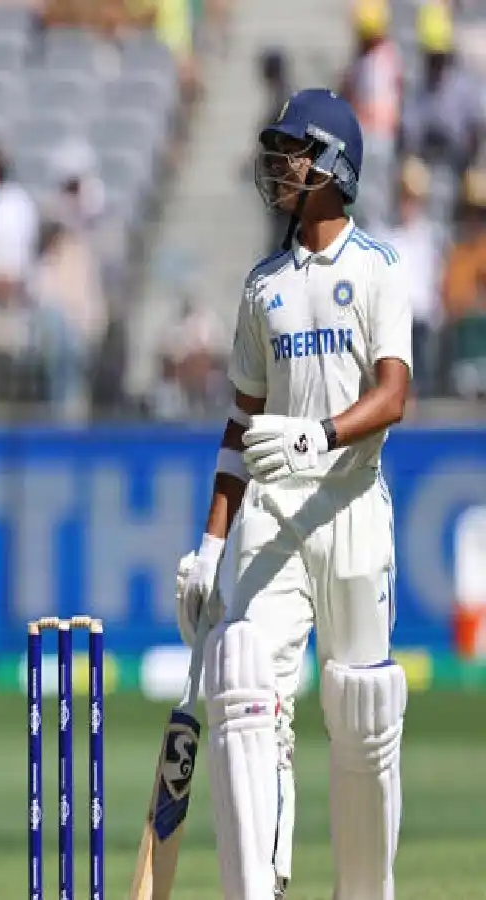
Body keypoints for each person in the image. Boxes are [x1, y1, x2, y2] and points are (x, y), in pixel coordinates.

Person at [175, 89, 411, 900]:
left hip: (350, 505)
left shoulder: (378, 270)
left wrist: (317, 434)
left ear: (335, 165)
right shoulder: (262, 287)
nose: (278, 166)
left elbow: (394, 395)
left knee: (363, 709)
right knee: (242, 678)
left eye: (293, 150)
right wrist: (209, 547)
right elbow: (240, 428)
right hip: (274, 516)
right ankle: (259, 889)